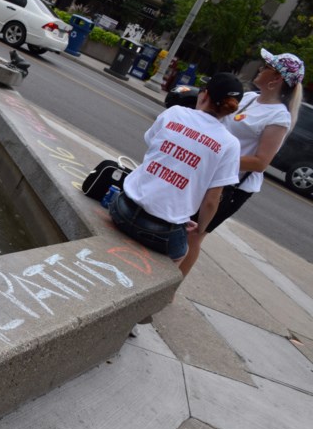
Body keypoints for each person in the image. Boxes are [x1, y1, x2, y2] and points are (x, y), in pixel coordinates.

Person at [178, 50, 305, 277]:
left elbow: (260, 162)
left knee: (194, 235)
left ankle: (170, 286)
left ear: (276, 79)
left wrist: (217, 159)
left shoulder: (279, 117)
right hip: (208, 174)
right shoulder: (248, 99)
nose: (260, 68)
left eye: (266, 67)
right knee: (179, 226)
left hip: (232, 187)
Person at [109, 73, 244, 265]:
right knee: (182, 253)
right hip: (163, 231)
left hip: (122, 209)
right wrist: (199, 228)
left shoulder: (174, 113)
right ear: (230, 110)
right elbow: (211, 201)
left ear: (204, 95)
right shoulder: (230, 144)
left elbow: (152, 145)